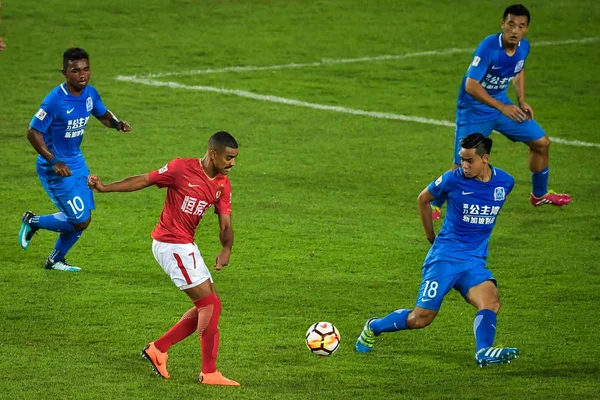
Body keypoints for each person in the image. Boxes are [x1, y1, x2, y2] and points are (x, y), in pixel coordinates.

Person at [87, 131, 240, 386]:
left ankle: (158, 349)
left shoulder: (222, 183)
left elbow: (225, 224)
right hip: (171, 244)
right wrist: (105, 188)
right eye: (228, 158)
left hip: (185, 245)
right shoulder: (181, 169)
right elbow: (143, 180)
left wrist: (227, 249)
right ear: (213, 154)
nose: (232, 163)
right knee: (209, 305)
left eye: (234, 158)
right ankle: (208, 372)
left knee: (209, 306)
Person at [356, 133, 519, 367]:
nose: (463, 165)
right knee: (421, 319)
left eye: (469, 160)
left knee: (491, 302)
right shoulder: (453, 180)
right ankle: (374, 326)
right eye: (461, 159)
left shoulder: (505, 182)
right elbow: (423, 199)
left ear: (485, 159)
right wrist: (430, 235)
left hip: (473, 261)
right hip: (444, 258)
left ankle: (483, 351)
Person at [431, 4, 571, 220]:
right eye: (511, 24)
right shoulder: (489, 47)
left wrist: (521, 100)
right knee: (462, 163)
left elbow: (518, 69)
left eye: (521, 26)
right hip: (474, 110)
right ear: (502, 24)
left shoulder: (523, 47)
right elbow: (471, 85)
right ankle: (434, 204)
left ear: (526, 29)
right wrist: (502, 107)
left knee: (542, 143)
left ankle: (539, 195)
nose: (515, 30)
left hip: (503, 106)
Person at [18, 47, 132, 272]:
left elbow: (102, 113)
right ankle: (32, 221)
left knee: (83, 217)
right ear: (64, 72)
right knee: (80, 220)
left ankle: (54, 261)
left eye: (86, 69)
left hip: (77, 161)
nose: (82, 75)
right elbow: (33, 132)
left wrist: (117, 124)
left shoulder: (90, 94)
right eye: (75, 70)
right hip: (55, 168)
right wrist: (54, 161)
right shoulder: (54, 101)